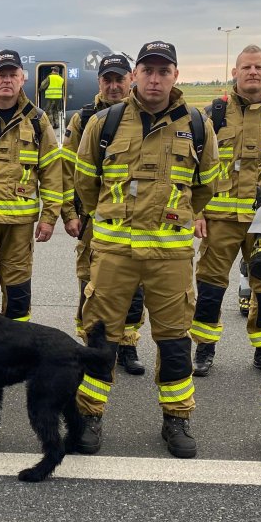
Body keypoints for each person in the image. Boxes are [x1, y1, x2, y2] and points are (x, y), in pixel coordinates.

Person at [72, 41, 219, 459]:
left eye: (163, 71)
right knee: (100, 335)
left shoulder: (197, 125)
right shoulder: (105, 123)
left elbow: (206, 185)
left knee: (174, 341)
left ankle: (176, 418)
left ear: (176, 76)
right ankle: (89, 414)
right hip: (114, 254)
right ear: (135, 75)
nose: (155, 79)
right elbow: (85, 182)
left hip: (170, 258)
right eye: (148, 71)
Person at [191, 45, 261, 378]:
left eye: (259, 67)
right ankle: (204, 348)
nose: (253, 72)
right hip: (220, 220)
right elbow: (195, 167)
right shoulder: (213, 114)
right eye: (246, 67)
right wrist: (197, 212)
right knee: (210, 288)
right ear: (235, 72)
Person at [61, 53, 147, 374]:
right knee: (90, 282)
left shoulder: (147, 116)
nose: (113, 86)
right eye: (107, 79)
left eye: (119, 79)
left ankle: (127, 344)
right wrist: (70, 213)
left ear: (131, 79)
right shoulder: (84, 120)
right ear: (99, 82)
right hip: (93, 220)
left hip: (136, 221)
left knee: (134, 287)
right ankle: (91, 344)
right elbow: (67, 170)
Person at [0, 49, 62, 321]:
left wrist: (49, 217)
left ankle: (17, 340)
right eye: (1, 74)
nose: (7, 80)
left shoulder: (37, 120)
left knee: (18, 290)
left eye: (12, 74)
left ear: (22, 78)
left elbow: (51, 171)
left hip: (18, 225)